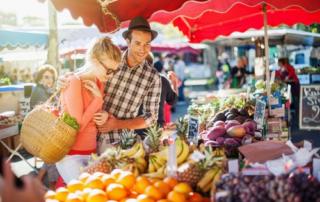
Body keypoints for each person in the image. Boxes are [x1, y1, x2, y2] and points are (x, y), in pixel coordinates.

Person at [58, 16, 161, 155]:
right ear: (128, 42)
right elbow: (84, 76)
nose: (143, 49)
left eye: (147, 44)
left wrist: (117, 124)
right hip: (89, 139)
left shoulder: (153, 77)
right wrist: (64, 80)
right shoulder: (110, 60)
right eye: (138, 43)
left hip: (121, 142)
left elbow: (151, 117)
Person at [55, 37, 122, 183]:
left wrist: (105, 115)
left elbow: (94, 116)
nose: (110, 76)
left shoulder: (99, 82)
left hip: (91, 152)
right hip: (71, 155)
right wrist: (98, 99)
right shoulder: (73, 82)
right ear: (94, 60)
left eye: (114, 72)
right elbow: (77, 126)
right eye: (109, 70)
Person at [29, 64, 59, 189]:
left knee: (53, 152)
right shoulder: (40, 91)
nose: (49, 80)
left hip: (43, 131)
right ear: (40, 78)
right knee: (54, 152)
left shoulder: (45, 91)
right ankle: (52, 186)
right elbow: (48, 114)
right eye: (46, 77)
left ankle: (39, 178)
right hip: (40, 133)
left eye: (51, 78)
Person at [146, 53, 178, 127]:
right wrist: (174, 82)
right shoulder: (162, 79)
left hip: (134, 128)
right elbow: (173, 101)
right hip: (157, 126)